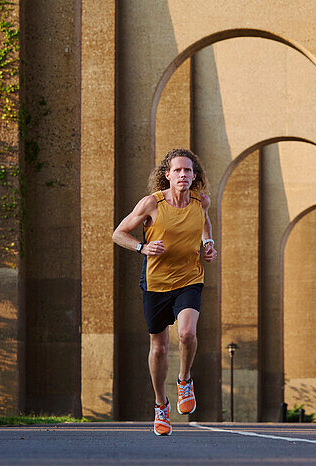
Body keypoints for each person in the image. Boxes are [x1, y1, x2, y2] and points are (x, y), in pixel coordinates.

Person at [112, 148, 217, 436]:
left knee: (186, 334)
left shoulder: (201, 201)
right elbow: (118, 233)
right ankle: (161, 405)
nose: (183, 175)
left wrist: (208, 244)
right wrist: (142, 247)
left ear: (195, 176)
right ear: (167, 175)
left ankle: (185, 380)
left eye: (188, 171)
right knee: (158, 348)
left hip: (190, 278)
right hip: (156, 284)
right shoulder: (151, 204)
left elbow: (205, 225)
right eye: (178, 170)